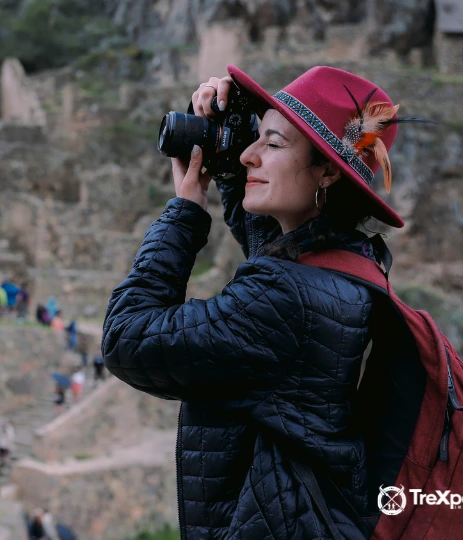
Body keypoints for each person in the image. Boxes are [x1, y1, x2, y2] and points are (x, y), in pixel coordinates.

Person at [102, 66, 427, 538]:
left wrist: (186, 213)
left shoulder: (284, 296)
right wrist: (231, 161)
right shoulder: (347, 265)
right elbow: (273, 254)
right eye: (255, 138)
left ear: (329, 171)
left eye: (272, 144)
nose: (251, 154)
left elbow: (125, 337)